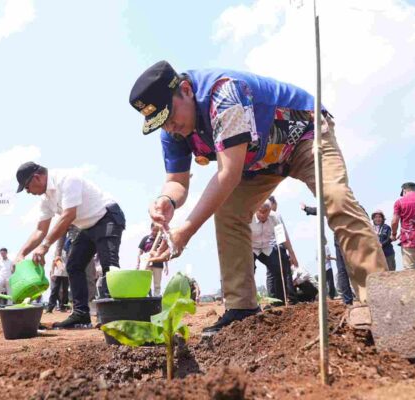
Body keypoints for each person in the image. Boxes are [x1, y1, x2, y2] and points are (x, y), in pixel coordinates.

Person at [129, 61, 386, 333]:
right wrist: (167, 200)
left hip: (302, 136)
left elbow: (228, 175)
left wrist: (186, 231)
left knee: (335, 197)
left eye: (170, 117)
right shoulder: (173, 129)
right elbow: (177, 183)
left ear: (185, 90)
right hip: (259, 161)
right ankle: (242, 308)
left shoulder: (223, 94)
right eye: (161, 123)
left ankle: (378, 301)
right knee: (229, 212)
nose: (169, 127)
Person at [13, 162, 126, 329]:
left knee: (109, 265)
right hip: (87, 226)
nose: (28, 192)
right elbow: (40, 230)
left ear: (36, 177)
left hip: (106, 216)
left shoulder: (67, 179)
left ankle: (114, 316)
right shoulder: (46, 200)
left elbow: (68, 216)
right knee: (74, 265)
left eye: (27, 187)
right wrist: (21, 254)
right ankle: (81, 314)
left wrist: (45, 246)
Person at [301, 204, 354, 305]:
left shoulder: (335, 204)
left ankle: (349, 300)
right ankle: (350, 299)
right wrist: (307, 209)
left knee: (343, 270)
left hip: (344, 236)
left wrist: (307, 209)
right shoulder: (347, 204)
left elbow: (321, 209)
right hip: (346, 236)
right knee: (343, 271)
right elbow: (322, 209)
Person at [250, 200, 297, 304]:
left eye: (265, 211)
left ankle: (279, 301)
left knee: (279, 268)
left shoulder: (274, 217)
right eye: (260, 211)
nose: (262, 214)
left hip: (266, 247)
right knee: (248, 271)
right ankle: (249, 303)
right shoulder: (249, 217)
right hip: (251, 247)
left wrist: (292, 254)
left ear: (270, 210)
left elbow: (283, 237)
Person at [137, 223, 169, 296]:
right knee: (145, 282)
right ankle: (145, 297)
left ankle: (156, 298)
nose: (155, 232)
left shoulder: (162, 240)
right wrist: (138, 264)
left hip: (158, 265)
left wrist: (166, 266)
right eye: (154, 230)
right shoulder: (145, 239)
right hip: (146, 264)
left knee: (157, 284)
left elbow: (165, 253)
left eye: (157, 231)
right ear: (151, 229)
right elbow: (140, 252)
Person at [47, 236, 70, 313]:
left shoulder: (71, 250)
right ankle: (50, 307)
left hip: (67, 274)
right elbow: (53, 262)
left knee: (65, 291)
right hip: (58, 273)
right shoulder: (58, 252)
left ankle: (64, 307)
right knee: (54, 290)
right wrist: (52, 273)